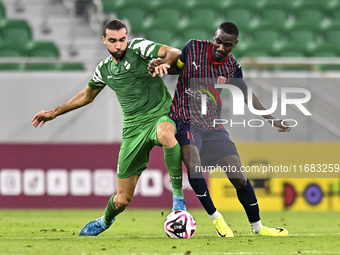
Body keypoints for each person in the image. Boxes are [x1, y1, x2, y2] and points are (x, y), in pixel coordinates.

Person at [32, 19, 186, 236]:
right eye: (113, 41)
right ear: (104, 40)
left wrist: (165, 62)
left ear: (127, 38)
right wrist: (53, 112)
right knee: (123, 199)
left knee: (165, 133)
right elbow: (87, 96)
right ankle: (104, 221)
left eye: (122, 39)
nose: (119, 45)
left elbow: (174, 51)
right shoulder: (103, 70)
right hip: (133, 129)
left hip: (160, 115)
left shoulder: (139, 48)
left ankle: (178, 202)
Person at [148, 22, 291, 237]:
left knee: (239, 178)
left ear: (235, 44)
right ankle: (217, 219)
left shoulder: (232, 67)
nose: (221, 47)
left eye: (227, 45)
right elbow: (176, 67)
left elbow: (246, 95)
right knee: (194, 166)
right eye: (219, 41)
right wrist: (160, 65)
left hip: (213, 125)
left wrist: (272, 119)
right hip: (185, 120)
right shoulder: (193, 47)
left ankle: (258, 228)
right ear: (214, 36)